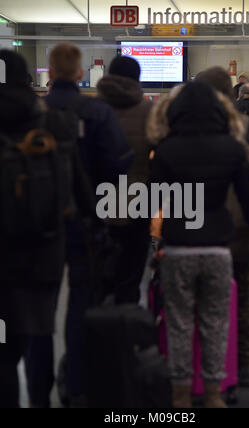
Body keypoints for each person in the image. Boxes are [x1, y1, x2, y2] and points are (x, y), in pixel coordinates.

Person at [25, 43, 133, 408]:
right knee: (81, 306)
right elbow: (118, 168)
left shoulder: (32, 114)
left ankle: (38, 392)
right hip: (86, 223)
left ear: (50, 72)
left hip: (39, 228)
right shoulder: (96, 112)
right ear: (79, 72)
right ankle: (76, 385)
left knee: (40, 312)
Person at [150, 80, 249, 409]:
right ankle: (214, 393)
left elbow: (155, 197)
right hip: (217, 248)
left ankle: (181, 393)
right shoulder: (232, 147)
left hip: (178, 247)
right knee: (216, 322)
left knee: (180, 323)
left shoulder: (167, 148)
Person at [0, 50, 95, 409]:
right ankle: (42, 396)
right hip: (43, 248)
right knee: (37, 329)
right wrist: (92, 227)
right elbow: (79, 187)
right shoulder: (52, 122)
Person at [196, 67, 249, 388]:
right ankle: (243, 364)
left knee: (203, 300)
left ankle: (210, 366)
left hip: (202, 230)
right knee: (244, 297)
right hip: (244, 226)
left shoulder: (192, 131)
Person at [97, 56, 152, 304]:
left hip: (98, 199)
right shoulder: (149, 110)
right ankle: (126, 322)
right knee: (132, 264)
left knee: (99, 266)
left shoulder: (92, 109)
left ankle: (98, 326)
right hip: (138, 200)